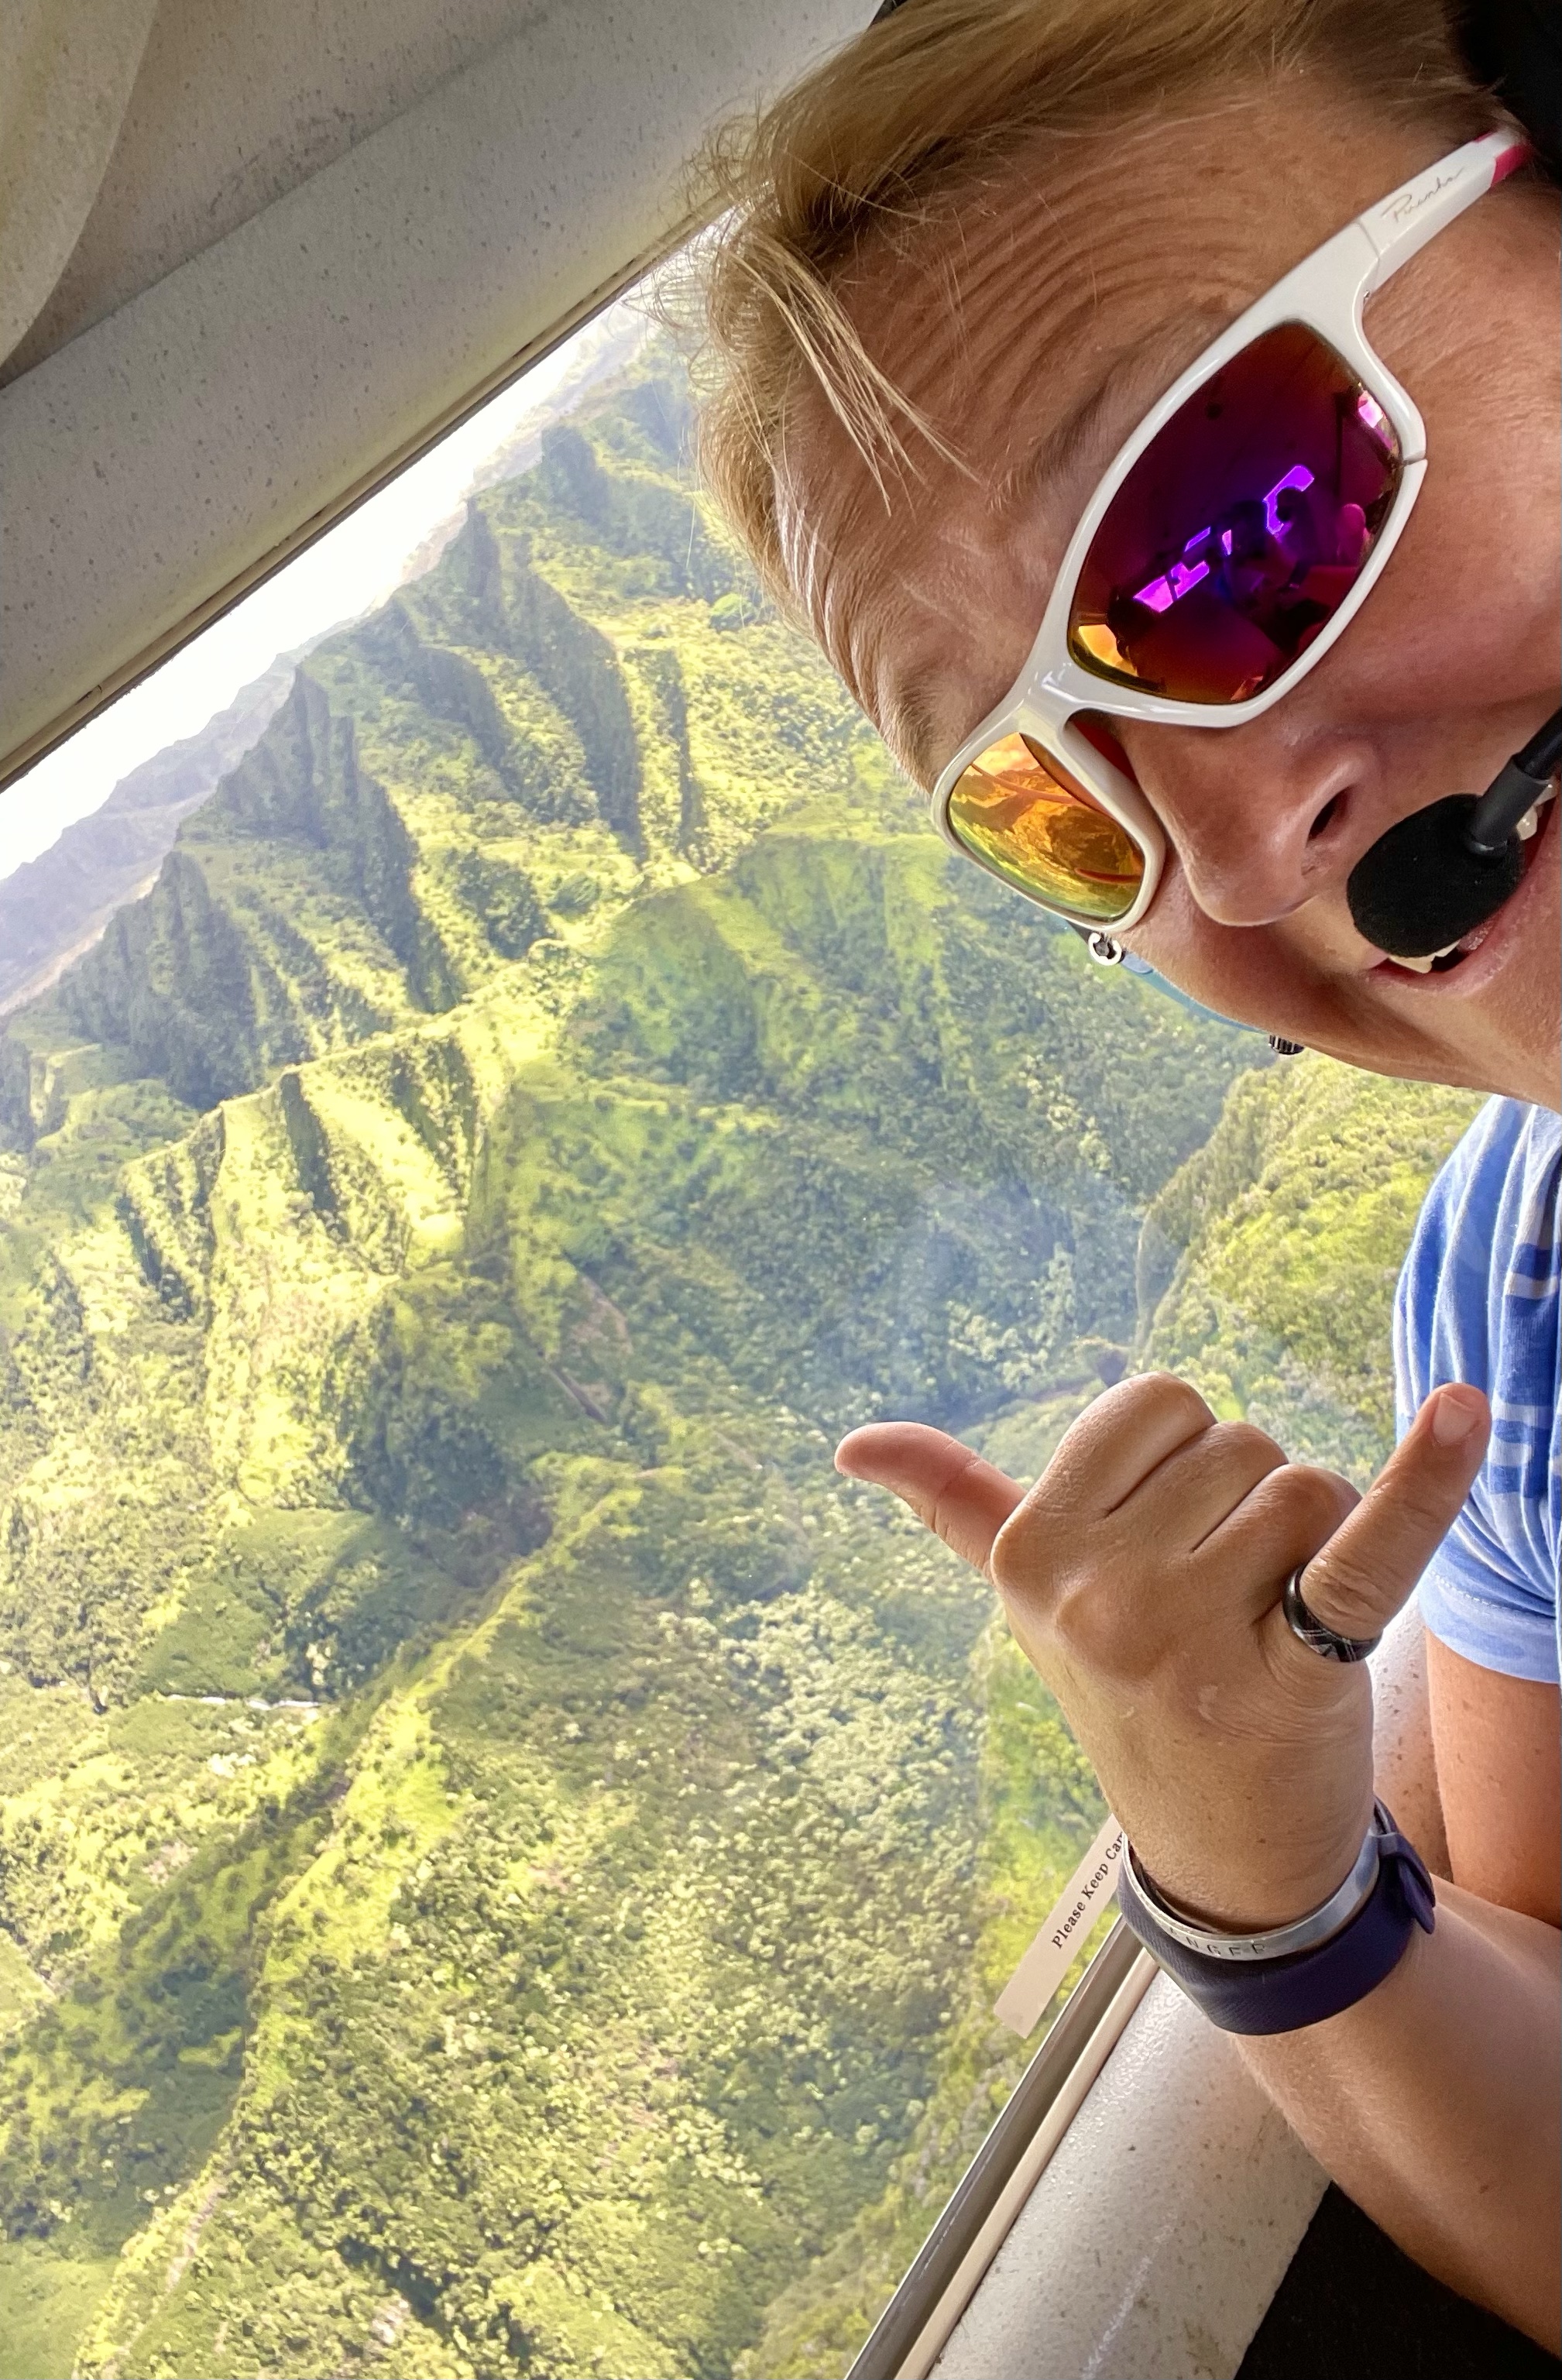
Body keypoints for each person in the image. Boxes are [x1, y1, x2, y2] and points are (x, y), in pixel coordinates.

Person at [682, 0, 1560, 2348]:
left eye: (1238, 523)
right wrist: (1268, 1877)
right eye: (1057, 800)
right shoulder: (1519, 1305)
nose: (1245, 847)